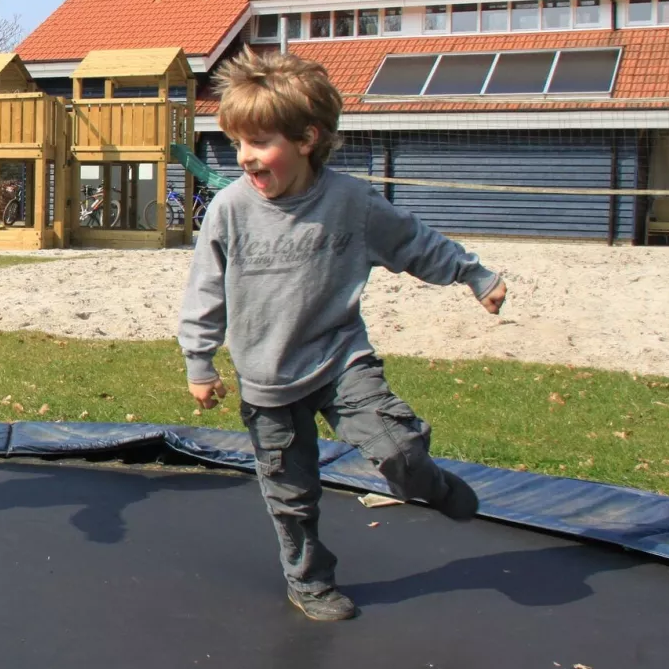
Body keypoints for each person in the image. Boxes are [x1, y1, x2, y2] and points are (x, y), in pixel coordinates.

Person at [176, 49, 508, 622]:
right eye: (238, 144)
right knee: (291, 494)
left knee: (398, 445)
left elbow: (414, 243)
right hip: (265, 377)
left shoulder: (351, 203)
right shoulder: (229, 210)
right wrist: (199, 362)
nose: (246, 158)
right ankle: (309, 583)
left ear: (307, 138)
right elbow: (206, 290)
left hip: (339, 361)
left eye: (259, 143)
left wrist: (474, 275)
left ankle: (425, 480)